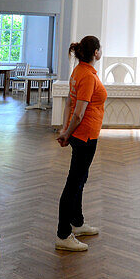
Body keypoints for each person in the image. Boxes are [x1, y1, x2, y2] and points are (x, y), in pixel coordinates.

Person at [55, 34, 107, 252]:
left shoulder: (79, 71)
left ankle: (77, 222)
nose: (101, 51)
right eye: (100, 48)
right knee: (74, 183)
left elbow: (69, 101)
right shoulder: (87, 75)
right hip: (84, 135)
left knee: (80, 179)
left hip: (82, 134)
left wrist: (64, 128)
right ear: (95, 52)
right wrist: (67, 131)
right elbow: (78, 112)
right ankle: (63, 234)